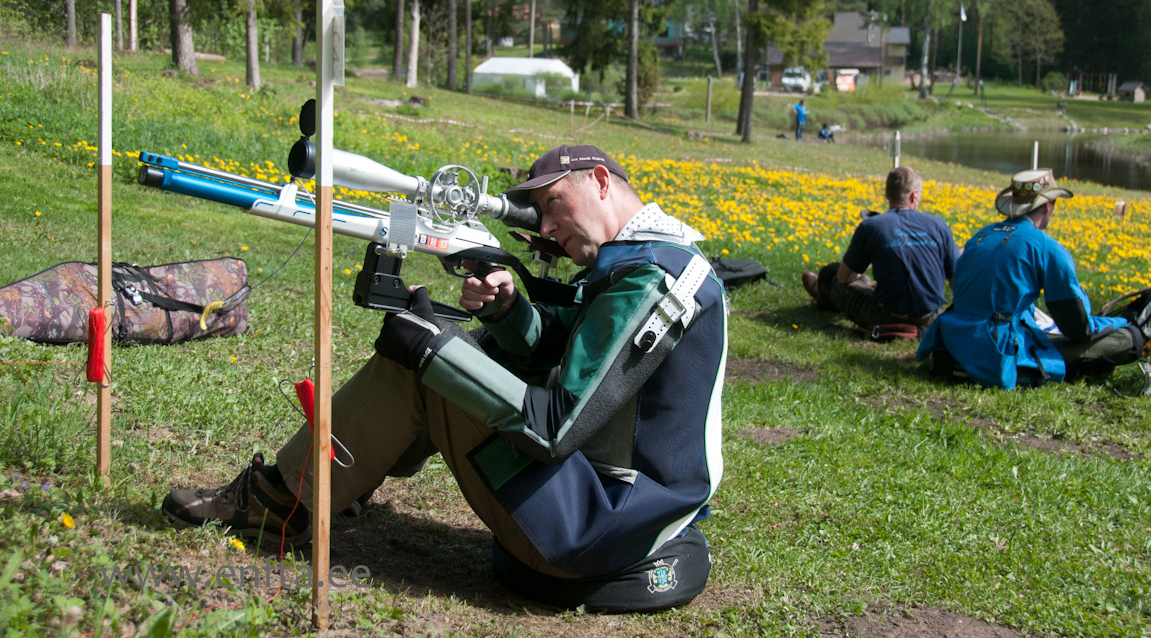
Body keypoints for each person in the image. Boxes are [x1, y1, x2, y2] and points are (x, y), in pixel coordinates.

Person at [161, 145, 728, 611]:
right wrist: (508, 313)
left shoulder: (652, 277)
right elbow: (573, 353)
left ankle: (285, 501)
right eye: (538, 214)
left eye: (553, 204)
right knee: (450, 354)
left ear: (601, 180)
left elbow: (557, 427)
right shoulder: (646, 260)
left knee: (427, 362)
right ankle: (328, 485)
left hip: (595, 527)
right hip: (601, 504)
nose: (548, 229)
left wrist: (436, 351)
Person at [916, 169, 1142, 389]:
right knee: (1129, 339)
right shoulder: (1045, 246)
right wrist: (1122, 321)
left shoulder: (980, 236)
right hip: (998, 348)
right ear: (1047, 206)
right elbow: (1077, 326)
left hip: (953, 340)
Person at [801, 166, 956, 334]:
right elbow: (956, 280)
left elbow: (843, 277)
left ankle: (822, 295)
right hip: (931, 319)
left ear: (887, 193)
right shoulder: (939, 225)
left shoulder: (871, 226)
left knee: (831, 274)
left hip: (884, 316)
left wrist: (865, 265)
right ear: (914, 195)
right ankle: (862, 284)